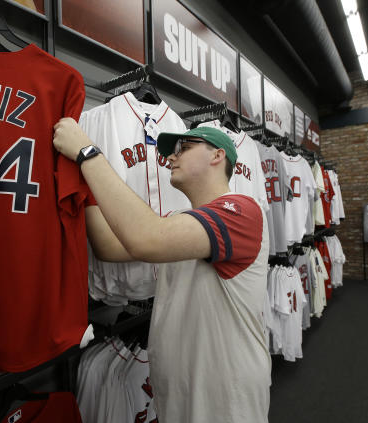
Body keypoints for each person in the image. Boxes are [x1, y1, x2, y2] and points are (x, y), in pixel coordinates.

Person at [53, 118, 271, 423]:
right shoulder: (179, 220)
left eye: (183, 147)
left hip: (225, 395)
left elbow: (147, 238)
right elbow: (108, 246)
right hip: (179, 391)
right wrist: (82, 182)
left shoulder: (242, 211)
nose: (170, 157)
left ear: (217, 155)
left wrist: (87, 154)